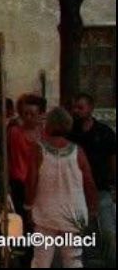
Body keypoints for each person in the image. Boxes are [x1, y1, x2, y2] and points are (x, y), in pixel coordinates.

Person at [29, 107, 99, 268]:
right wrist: (93, 207)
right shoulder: (77, 151)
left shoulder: (39, 150)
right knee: (73, 260)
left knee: (41, 261)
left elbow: (30, 180)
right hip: (73, 214)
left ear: (49, 124)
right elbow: (89, 181)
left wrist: (28, 205)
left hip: (45, 213)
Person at [69, 92, 116, 266]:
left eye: (80, 107)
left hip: (101, 189)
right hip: (77, 191)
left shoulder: (104, 132)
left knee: (108, 231)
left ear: (90, 108)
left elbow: (113, 159)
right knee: (84, 236)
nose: (76, 111)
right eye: (74, 107)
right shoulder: (70, 132)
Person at [9, 93, 46, 246]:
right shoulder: (14, 132)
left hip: (40, 183)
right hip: (19, 182)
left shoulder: (45, 134)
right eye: (25, 113)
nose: (28, 117)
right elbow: (9, 157)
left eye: (32, 114)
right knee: (23, 222)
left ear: (40, 114)